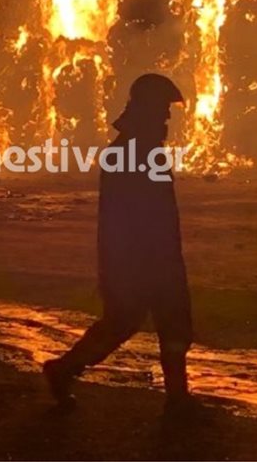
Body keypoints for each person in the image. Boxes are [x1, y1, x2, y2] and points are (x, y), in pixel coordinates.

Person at [43, 73, 195, 413]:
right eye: (162, 109)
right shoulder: (132, 152)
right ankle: (64, 370)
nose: (167, 117)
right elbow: (142, 212)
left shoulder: (135, 149)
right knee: (138, 323)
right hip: (142, 257)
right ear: (147, 109)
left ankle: (177, 397)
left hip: (142, 256)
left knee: (159, 323)